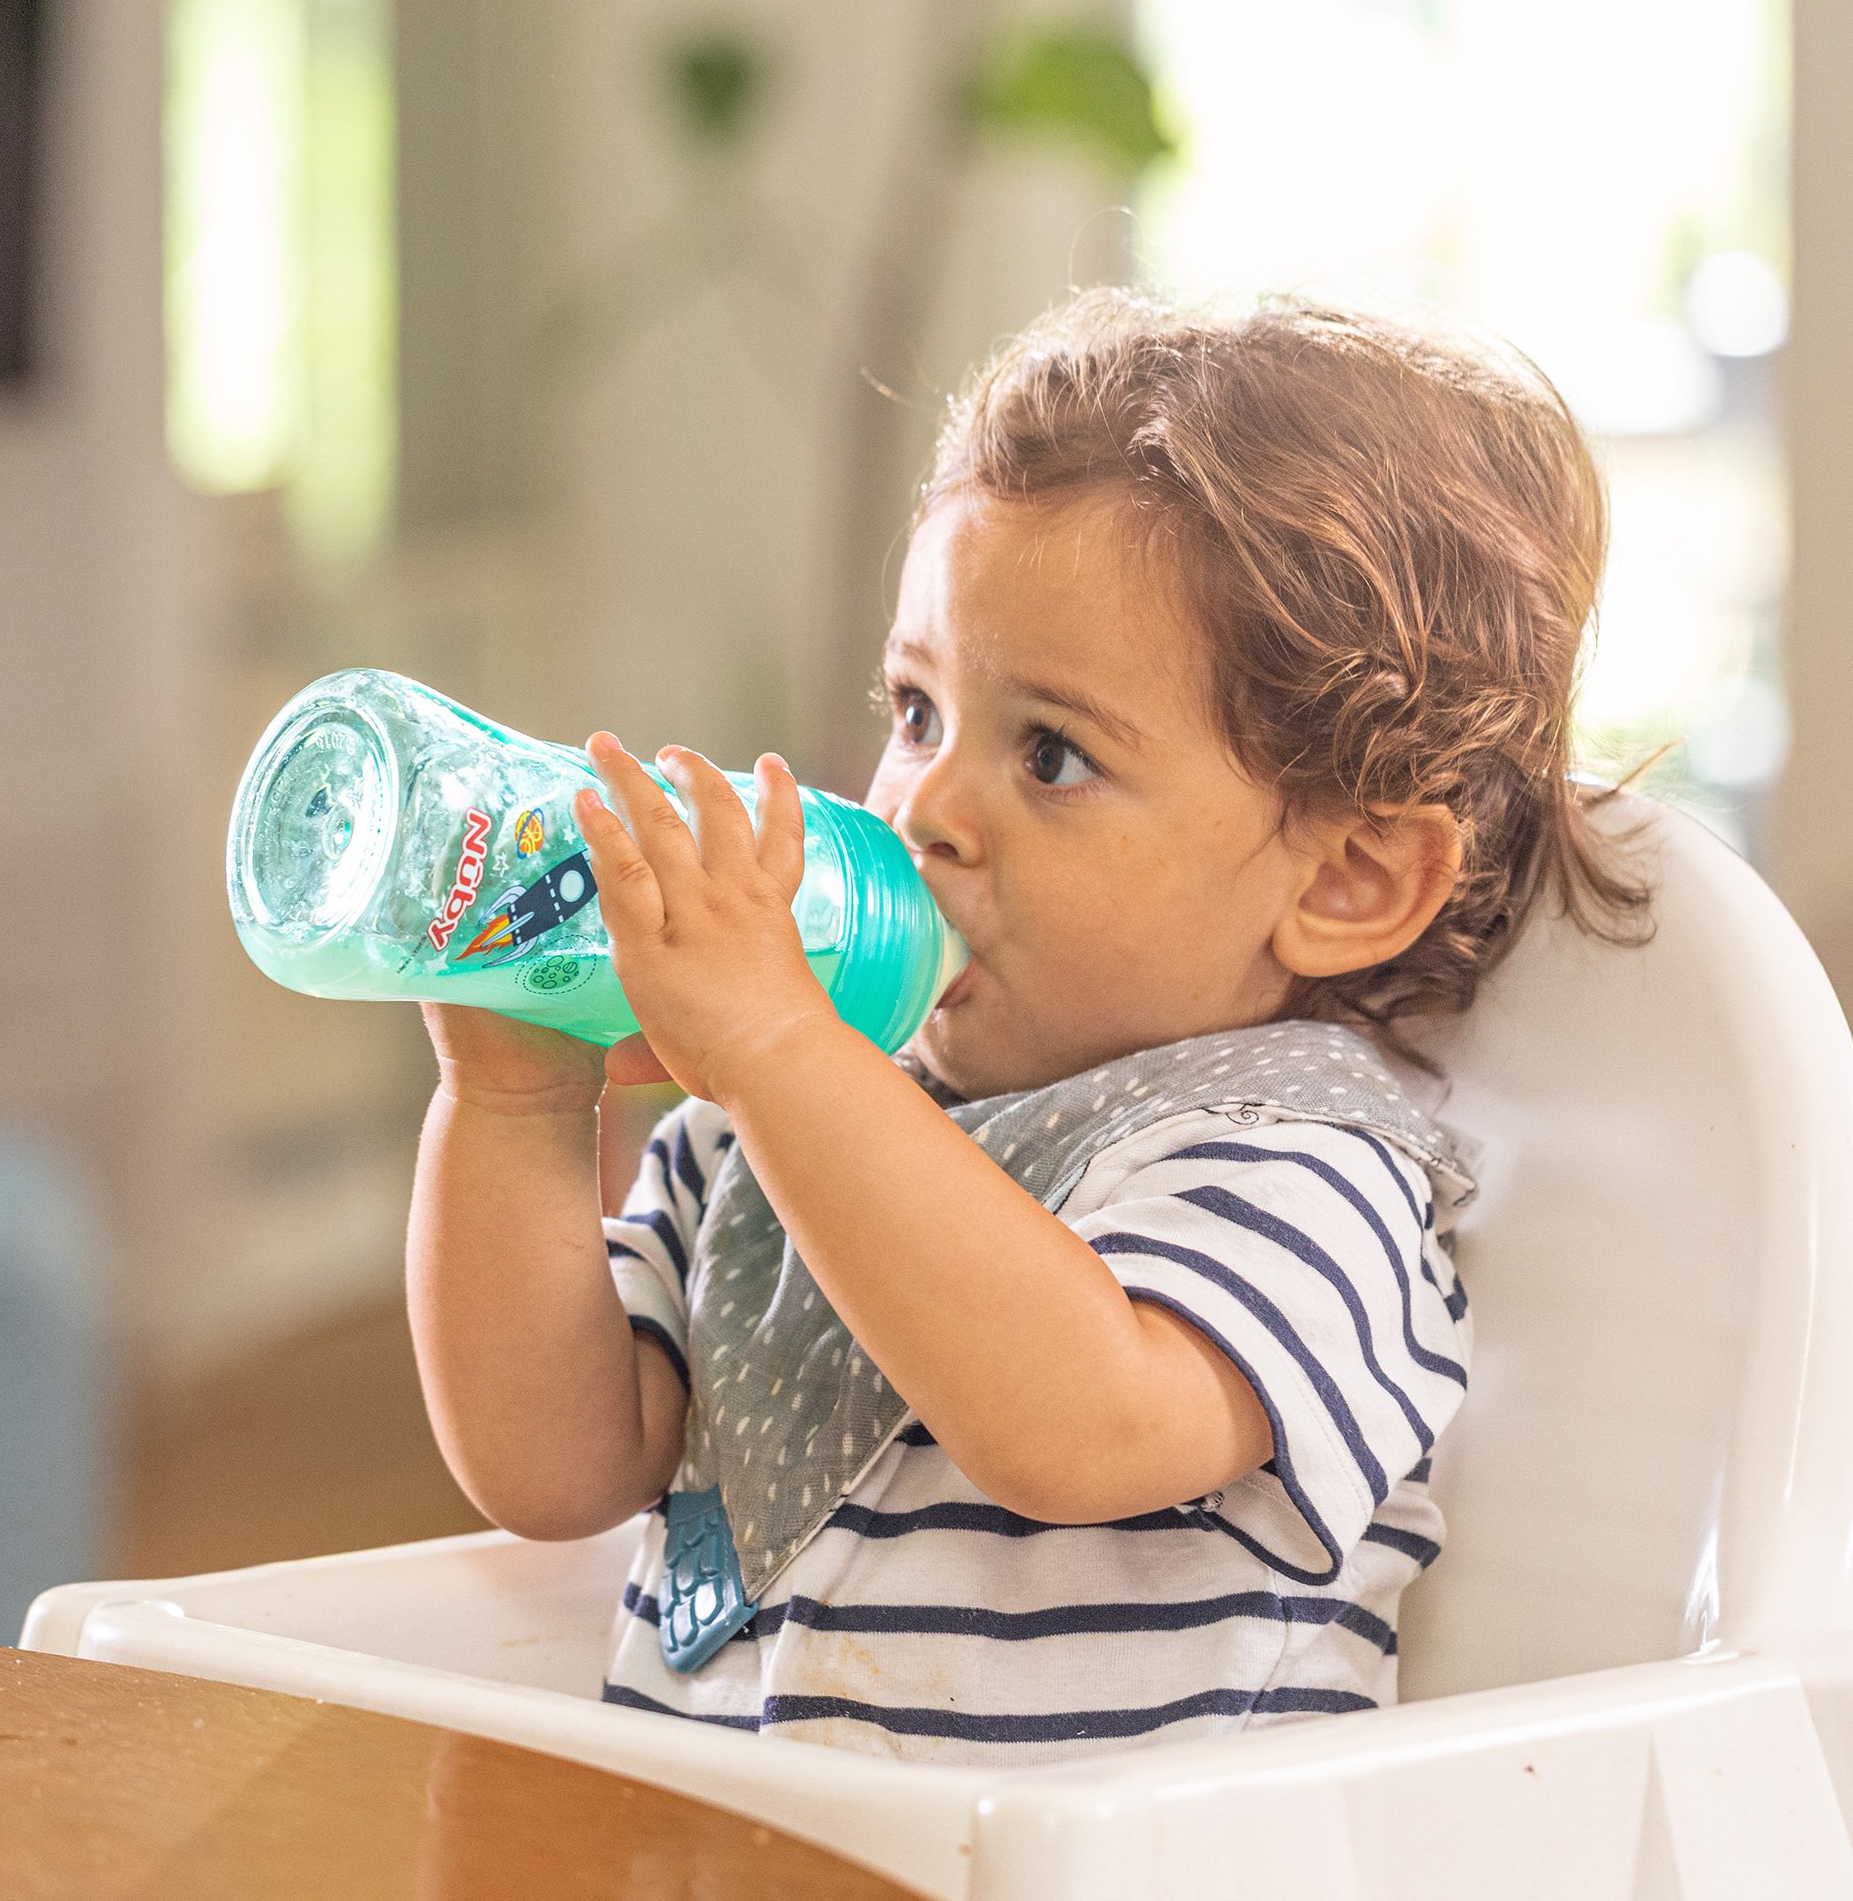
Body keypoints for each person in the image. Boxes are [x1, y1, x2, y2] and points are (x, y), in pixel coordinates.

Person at [406, 289, 1646, 1763]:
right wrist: (512, 1108)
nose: (922, 804)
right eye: (916, 708)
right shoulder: (774, 1129)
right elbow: (551, 1466)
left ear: (1349, 877)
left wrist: (785, 1058)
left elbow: (1079, 1424)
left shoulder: (1308, 1170)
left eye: (1050, 754)